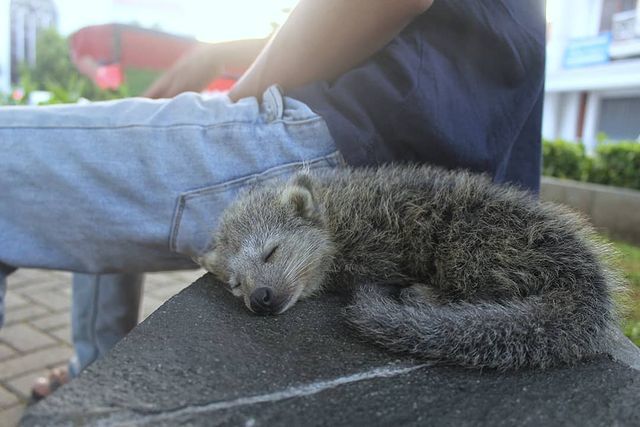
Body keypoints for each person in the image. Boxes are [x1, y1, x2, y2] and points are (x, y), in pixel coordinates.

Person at [1, 0, 545, 393]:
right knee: (93, 193)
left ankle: (90, 372)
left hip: (344, 130)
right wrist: (222, 51)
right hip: (434, 139)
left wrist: (239, 101)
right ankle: (92, 375)